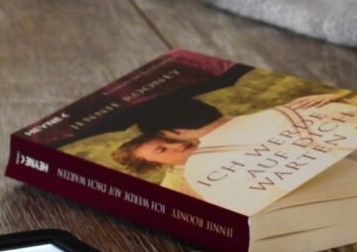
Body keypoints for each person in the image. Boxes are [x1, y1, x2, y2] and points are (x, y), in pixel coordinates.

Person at [111, 94, 357, 215]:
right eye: (162, 149)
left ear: (171, 132)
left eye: (166, 142)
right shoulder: (310, 106)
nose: (174, 147)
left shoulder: (202, 173)